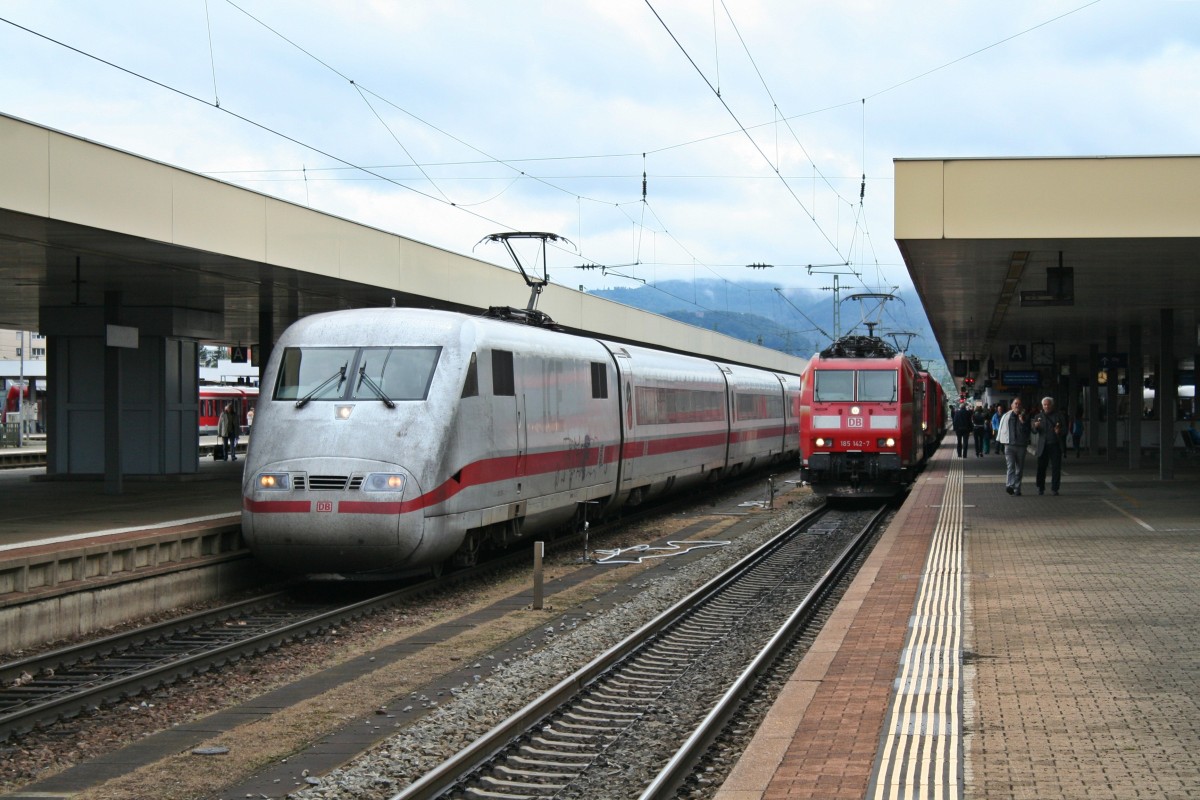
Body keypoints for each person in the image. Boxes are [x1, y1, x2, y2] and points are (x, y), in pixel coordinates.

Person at [995, 397, 1031, 495]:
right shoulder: (1006, 416)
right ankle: (1010, 485)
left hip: (1021, 446)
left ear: (1021, 406)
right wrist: (999, 441)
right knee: (1010, 467)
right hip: (1009, 445)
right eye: (1015, 404)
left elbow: (1028, 432)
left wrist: (1022, 422)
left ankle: (1017, 489)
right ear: (1012, 406)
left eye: (1019, 404)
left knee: (1019, 469)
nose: (1017, 406)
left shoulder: (1025, 417)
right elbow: (1002, 428)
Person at [1032, 396, 1066, 495]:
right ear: (1042, 406)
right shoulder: (1038, 416)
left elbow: (1065, 431)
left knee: (1056, 468)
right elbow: (1034, 431)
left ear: (1052, 405)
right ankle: (1040, 487)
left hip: (1055, 445)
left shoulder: (1059, 416)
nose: (1046, 406)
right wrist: (1035, 426)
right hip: (1043, 446)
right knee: (1041, 467)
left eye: (1048, 404)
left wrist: (1059, 431)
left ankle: (1055, 488)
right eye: (1045, 405)